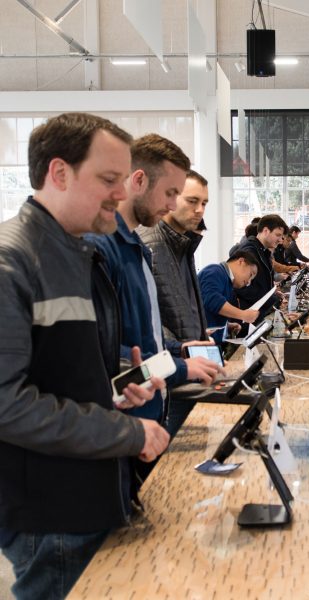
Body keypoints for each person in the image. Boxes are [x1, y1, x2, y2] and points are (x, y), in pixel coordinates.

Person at [0, 113, 170, 599]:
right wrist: (125, 432)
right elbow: (7, 404)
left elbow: (57, 372)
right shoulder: (13, 261)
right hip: (51, 512)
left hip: (87, 498)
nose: (122, 192)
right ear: (59, 173)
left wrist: (114, 385)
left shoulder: (78, 254)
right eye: (109, 179)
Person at [87, 135, 221, 454]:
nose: (173, 205)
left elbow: (146, 338)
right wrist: (179, 367)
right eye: (170, 193)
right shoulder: (100, 248)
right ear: (138, 180)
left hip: (146, 412)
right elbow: (103, 355)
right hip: (122, 423)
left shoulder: (137, 250)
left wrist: (179, 350)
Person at [138, 169, 214, 438]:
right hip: (168, 376)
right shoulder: (151, 244)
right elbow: (149, 322)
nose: (200, 210)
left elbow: (180, 307)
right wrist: (181, 349)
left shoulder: (183, 243)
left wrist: (200, 337)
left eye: (204, 203)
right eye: (192, 201)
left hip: (184, 368)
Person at [198, 250, 260, 344]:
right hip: (201, 343)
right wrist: (243, 314)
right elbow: (212, 300)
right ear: (241, 261)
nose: (248, 282)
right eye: (250, 274)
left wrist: (226, 326)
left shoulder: (228, 282)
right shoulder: (214, 271)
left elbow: (209, 312)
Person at [235, 214, 288, 324]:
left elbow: (260, 281)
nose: (280, 240)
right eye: (278, 235)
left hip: (257, 314)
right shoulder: (249, 251)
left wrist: (271, 292)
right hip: (248, 317)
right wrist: (270, 298)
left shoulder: (263, 251)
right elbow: (242, 287)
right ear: (265, 231)